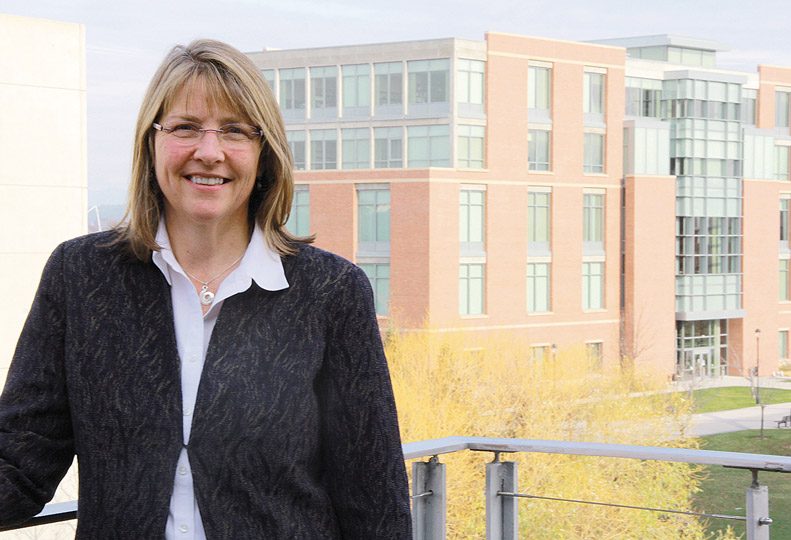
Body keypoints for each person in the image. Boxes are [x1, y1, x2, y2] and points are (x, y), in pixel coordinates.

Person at [0, 39, 412, 538]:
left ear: (264, 153)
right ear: (151, 143)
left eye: (235, 131)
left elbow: (374, 497)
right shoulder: (81, 276)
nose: (209, 152)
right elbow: (20, 460)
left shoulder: (331, 292)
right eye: (185, 128)